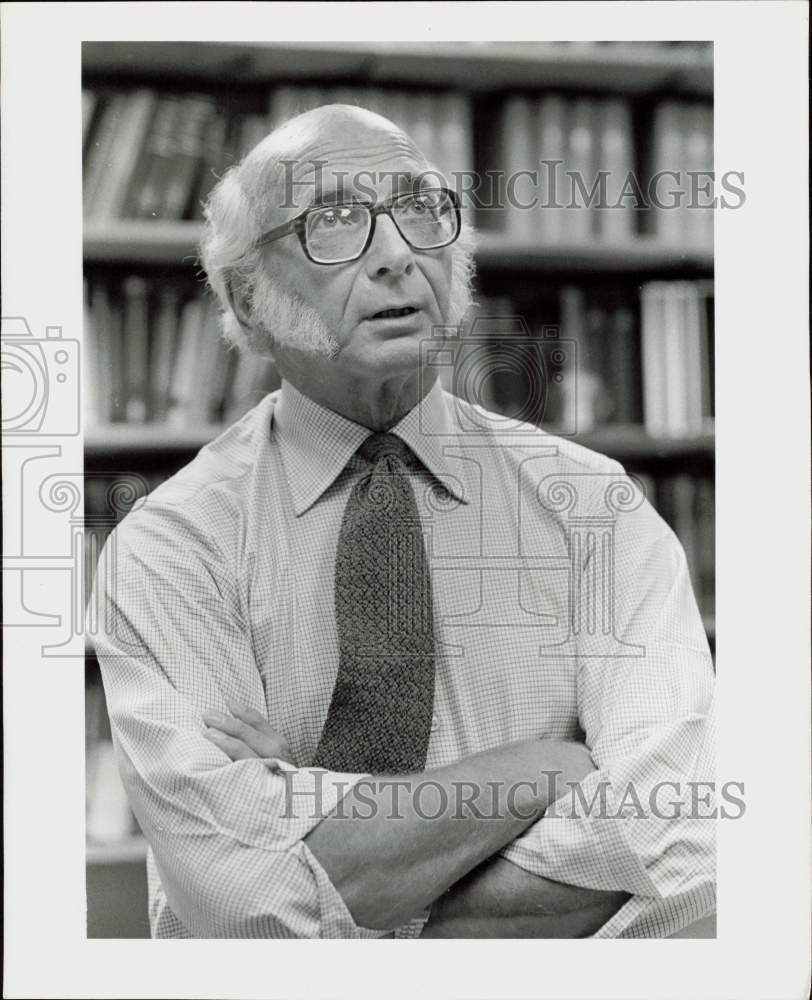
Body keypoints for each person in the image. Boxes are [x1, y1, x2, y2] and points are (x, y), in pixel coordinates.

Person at [91, 104, 716, 939]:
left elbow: (681, 849)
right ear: (249, 292)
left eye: (420, 209)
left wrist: (342, 848)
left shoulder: (595, 509)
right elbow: (245, 905)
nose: (396, 256)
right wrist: (540, 773)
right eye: (336, 221)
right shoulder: (170, 547)